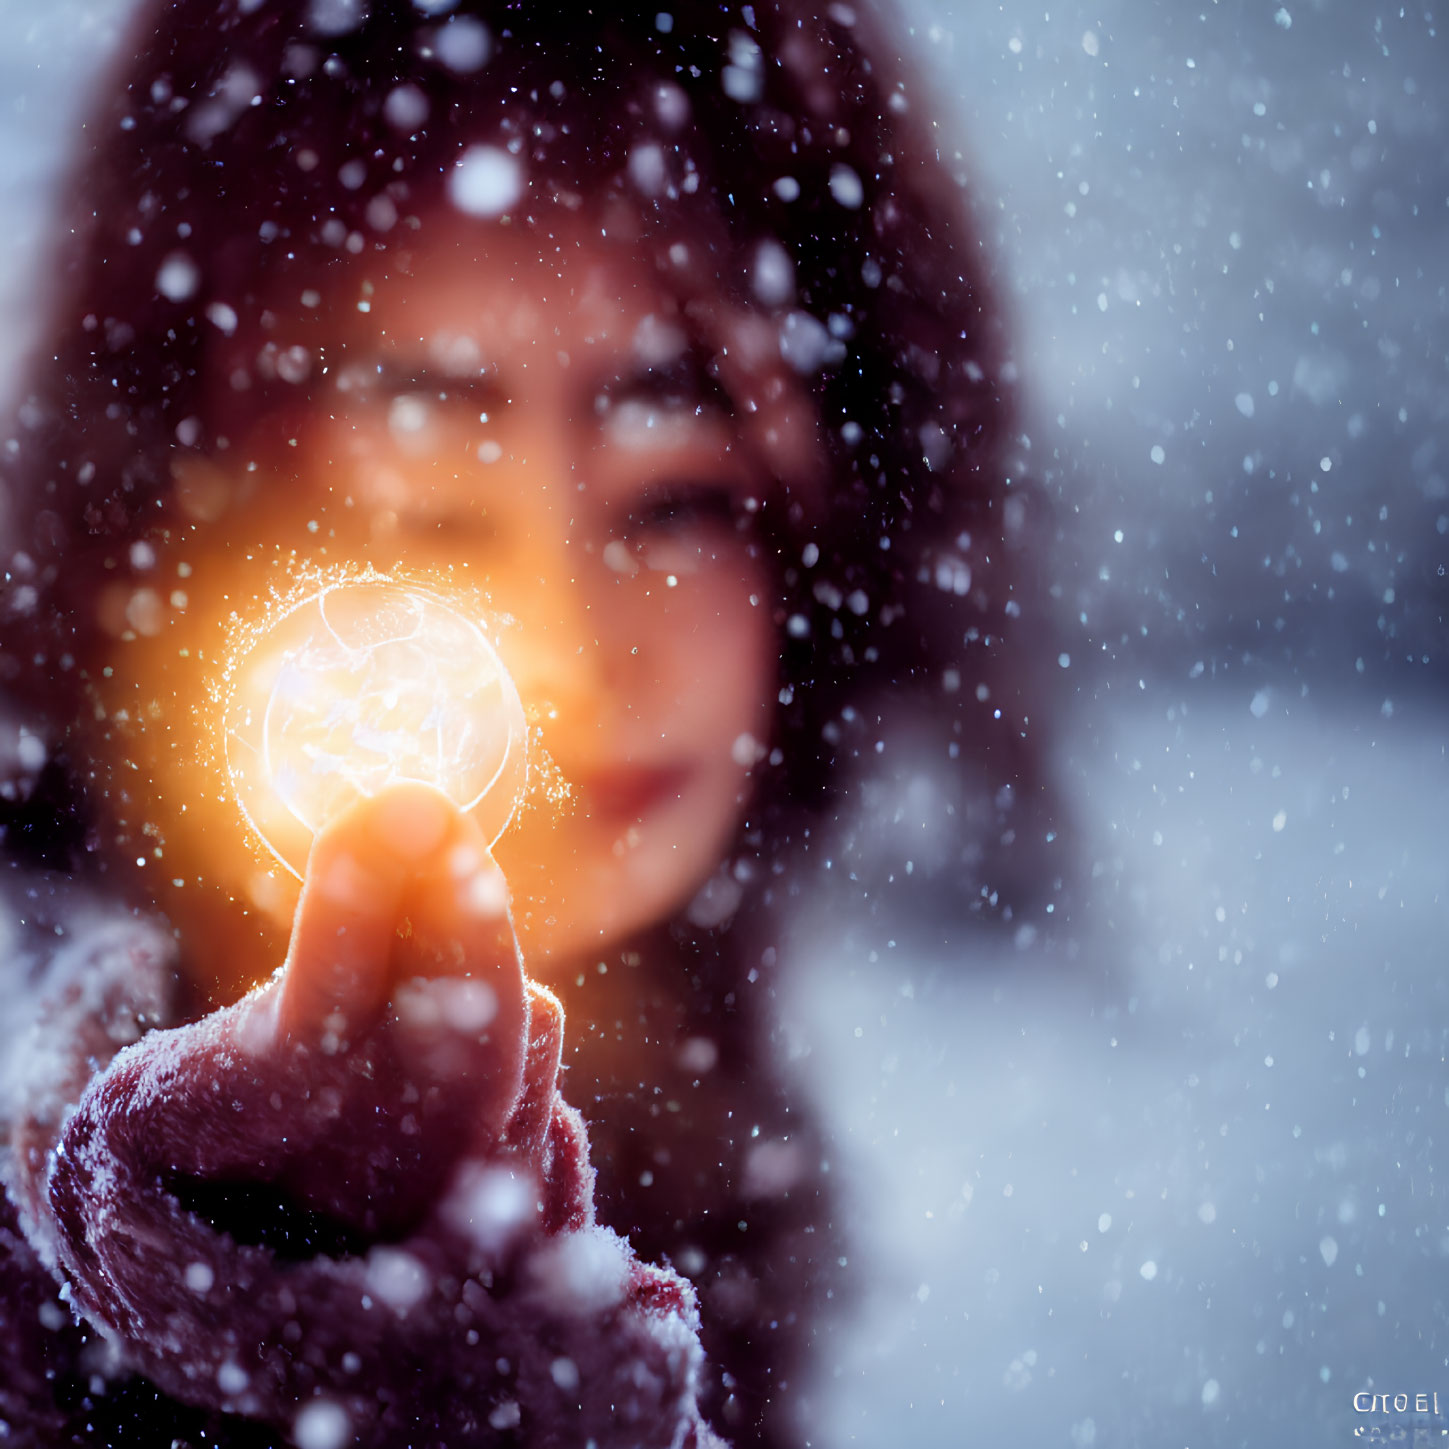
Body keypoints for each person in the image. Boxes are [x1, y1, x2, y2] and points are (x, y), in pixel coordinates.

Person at [0, 0, 1063, 1444]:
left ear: (837, 537)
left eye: (679, 495)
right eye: (415, 504)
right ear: (162, 533)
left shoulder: (708, 1139)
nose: (565, 651)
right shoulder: (50, 1185)